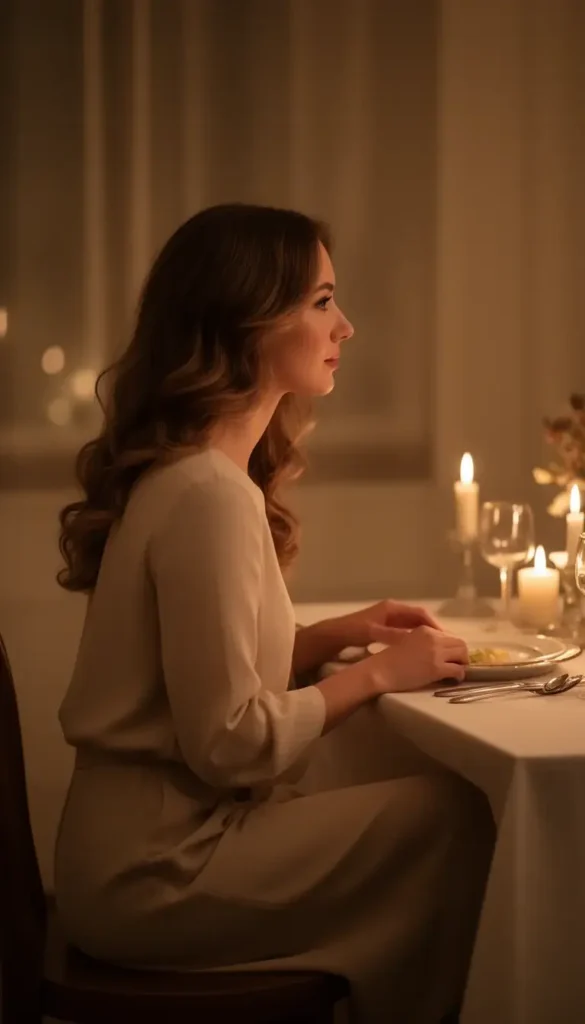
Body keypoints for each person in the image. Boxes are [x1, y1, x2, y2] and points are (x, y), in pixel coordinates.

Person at [54, 203, 495, 1024]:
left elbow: (200, 675)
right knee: (453, 817)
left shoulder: (197, 479)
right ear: (250, 321)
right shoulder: (206, 496)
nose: (346, 327)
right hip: (156, 873)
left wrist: (336, 635)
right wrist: (375, 675)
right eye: (322, 301)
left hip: (132, 853)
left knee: (408, 796)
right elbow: (229, 741)